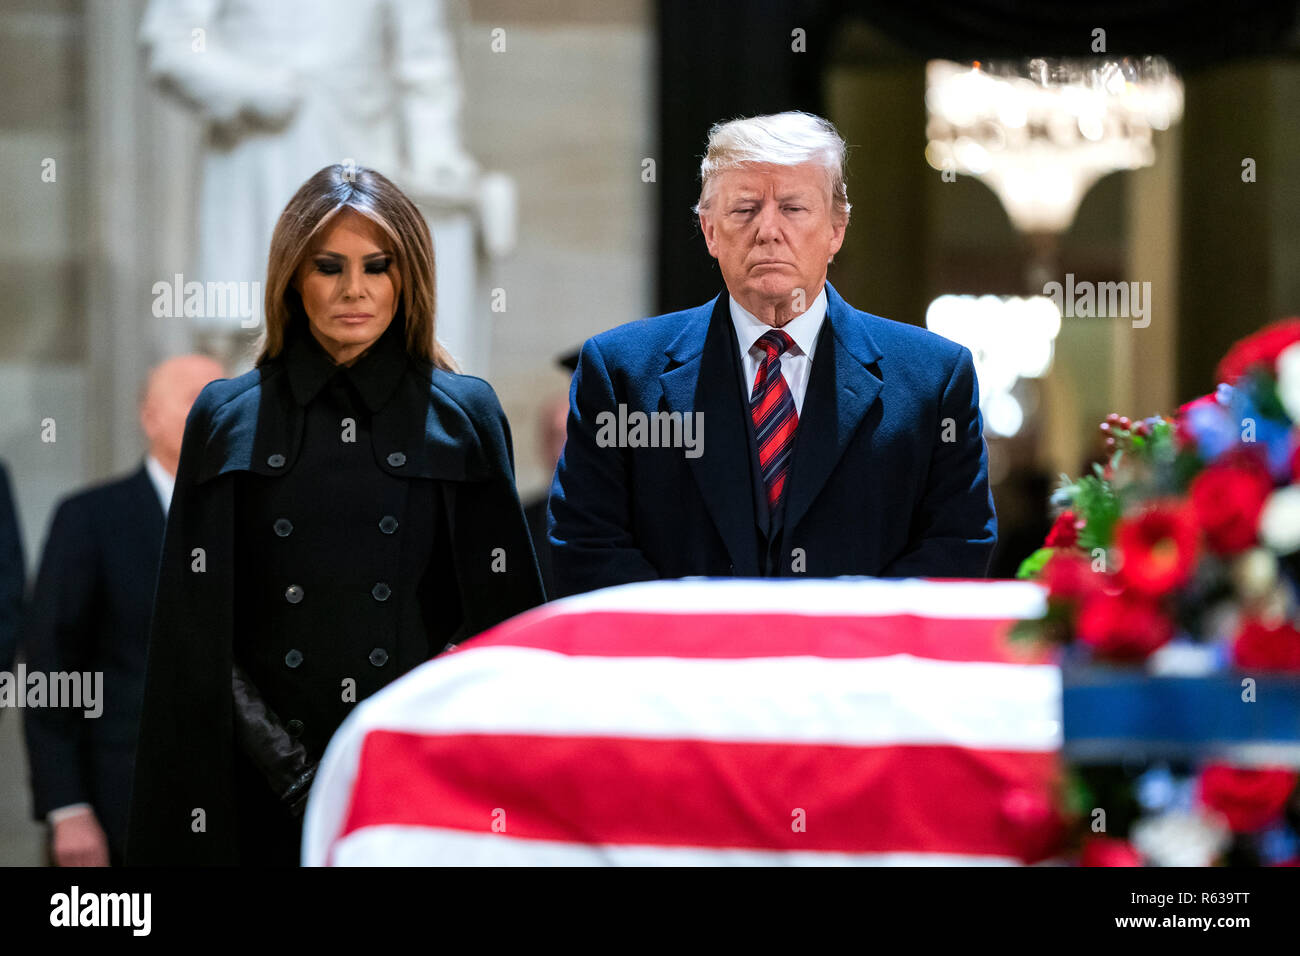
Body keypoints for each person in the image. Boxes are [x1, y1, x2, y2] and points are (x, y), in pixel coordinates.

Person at [126, 164, 544, 866]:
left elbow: (498, 626)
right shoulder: (228, 417)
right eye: (330, 267)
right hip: (257, 787)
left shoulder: (464, 414)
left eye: (377, 267)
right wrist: (291, 771)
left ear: (405, 278)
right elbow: (196, 635)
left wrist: (395, 750)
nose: (355, 289)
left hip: (416, 783)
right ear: (294, 276)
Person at [549, 111, 996, 597]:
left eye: (793, 208)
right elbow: (587, 545)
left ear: (836, 230)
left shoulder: (934, 379)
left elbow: (956, 545)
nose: (768, 230)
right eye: (743, 209)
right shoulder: (621, 373)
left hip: (858, 667)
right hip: (683, 668)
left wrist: (830, 643)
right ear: (710, 231)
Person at [22, 355, 224, 866]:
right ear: (149, 416)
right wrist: (67, 807)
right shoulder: (90, 518)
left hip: (237, 809)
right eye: (193, 401)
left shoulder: (265, 519)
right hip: (121, 801)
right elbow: (51, 667)